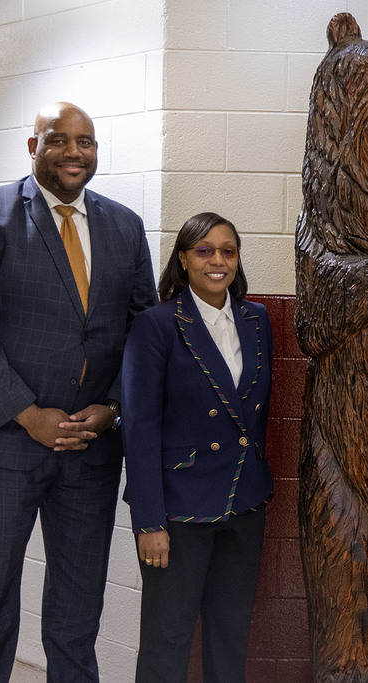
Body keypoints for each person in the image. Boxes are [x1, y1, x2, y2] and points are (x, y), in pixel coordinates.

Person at [0, 101, 157, 682]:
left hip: (91, 450)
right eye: (58, 140)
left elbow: (142, 328)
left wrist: (111, 409)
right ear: (33, 147)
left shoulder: (125, 227)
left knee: (77, 610)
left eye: (85, 142)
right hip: (1, 446)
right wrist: (27, 413)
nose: (74, 152)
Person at [121, 212, 273, 683]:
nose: (217, 260)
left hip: (243, 504)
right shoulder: (157, 324)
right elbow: (139, 429)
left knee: (231, 635)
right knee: (167, 639)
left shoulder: (257, 319)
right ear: (184, 258)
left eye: (228, 250)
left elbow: (256, 415)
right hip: (179, 511)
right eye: (204, 250)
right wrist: (149, 521)